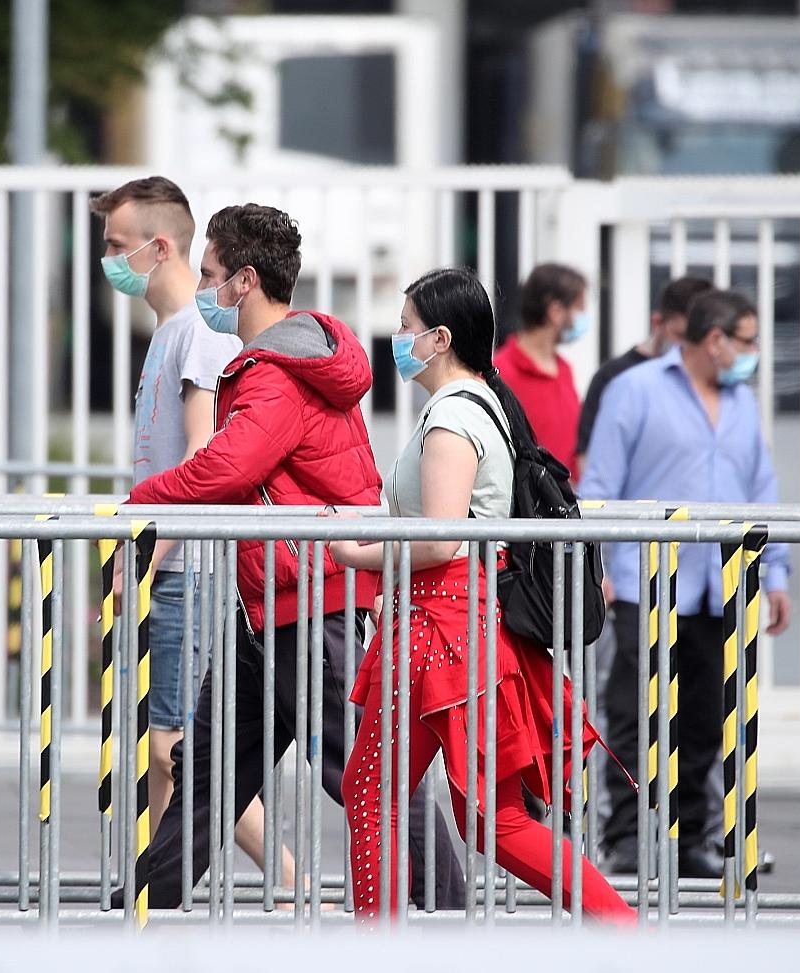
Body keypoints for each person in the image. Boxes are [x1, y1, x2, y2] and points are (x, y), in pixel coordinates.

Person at [124, 203, 466, 911]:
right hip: (274, 609)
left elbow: (224, 468)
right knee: (211, 777)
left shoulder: (274, 371)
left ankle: (447, 917)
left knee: (369, 774)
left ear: (246, 281)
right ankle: (145, 914)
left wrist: (139, 504)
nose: (204, 290)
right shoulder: (288, 359)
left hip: (309, 609)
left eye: (213, 275)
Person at [328, 267, 634, 922]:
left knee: (375, 795)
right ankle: (627, 930)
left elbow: (440, 541)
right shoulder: (477, 407)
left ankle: (372, 950)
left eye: (406, 327)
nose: (396, 338)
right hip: (458, 625)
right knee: (490, 818)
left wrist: (354, 551)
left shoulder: (452, 418)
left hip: (436, 627)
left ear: (440, 338)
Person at [90, 176, 297, 881]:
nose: (107, 258)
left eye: (117, 245)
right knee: (172, 746)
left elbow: (205, 460)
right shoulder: (172, 335)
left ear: (159, 246)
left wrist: (148, 554)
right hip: (168, 562)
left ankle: (180, 890)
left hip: (183, 567)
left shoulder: (199, 339)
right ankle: (155, 886)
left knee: (171, 746)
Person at [580, 288, 792, 877]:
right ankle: (624, 838)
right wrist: (600, 570)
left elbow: (761, 490)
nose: (754, 352)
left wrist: (775, 573)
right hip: (642, 581)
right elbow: (599, 486)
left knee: (705, 714)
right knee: (631, 712)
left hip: (718, 584)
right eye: (748, 339)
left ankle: (691, 839)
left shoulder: (742, 403)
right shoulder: (637, 389)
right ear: (716, 339)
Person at [574, 275, 712, 472]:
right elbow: (589, 460)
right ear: (657, 323)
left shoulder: (712, 381)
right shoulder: (614, 377)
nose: (688, 349)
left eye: (696, 340)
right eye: (680, 336)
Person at [493, 263, 589, 472]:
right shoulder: (500, 372)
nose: (584, 318)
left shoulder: (564, 370)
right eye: (579, 308)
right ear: (555, 312)